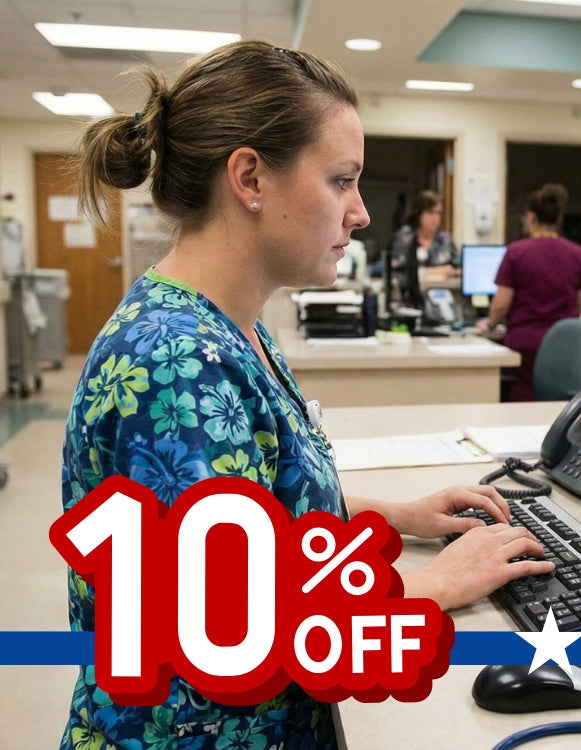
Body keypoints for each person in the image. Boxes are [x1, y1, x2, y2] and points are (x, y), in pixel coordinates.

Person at [63, 40, 553, 749]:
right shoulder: (177, 363)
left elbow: (247, 513)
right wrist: (436, 586)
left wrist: (393, 515)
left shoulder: (230, 327)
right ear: (250, 178)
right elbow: (230, 624)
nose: (358, 213)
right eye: (341, 180)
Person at [477, 183, 581, 401]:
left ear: (530, 217)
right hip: (563, 347)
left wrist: (490, 323)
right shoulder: (578, 253)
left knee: (521, 407)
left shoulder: (516, 252)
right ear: (559, 219)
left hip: (525, 347)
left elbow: (501, 304)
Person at [388, 189, 458, 307]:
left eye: (439, 213)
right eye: (430, 213)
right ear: (418, 213)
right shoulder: (405, 238)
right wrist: (435, 272)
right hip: (411, 301)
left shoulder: (445, 240)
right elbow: (397, 272)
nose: (435, 218)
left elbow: (458, 270)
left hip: (444, 300)